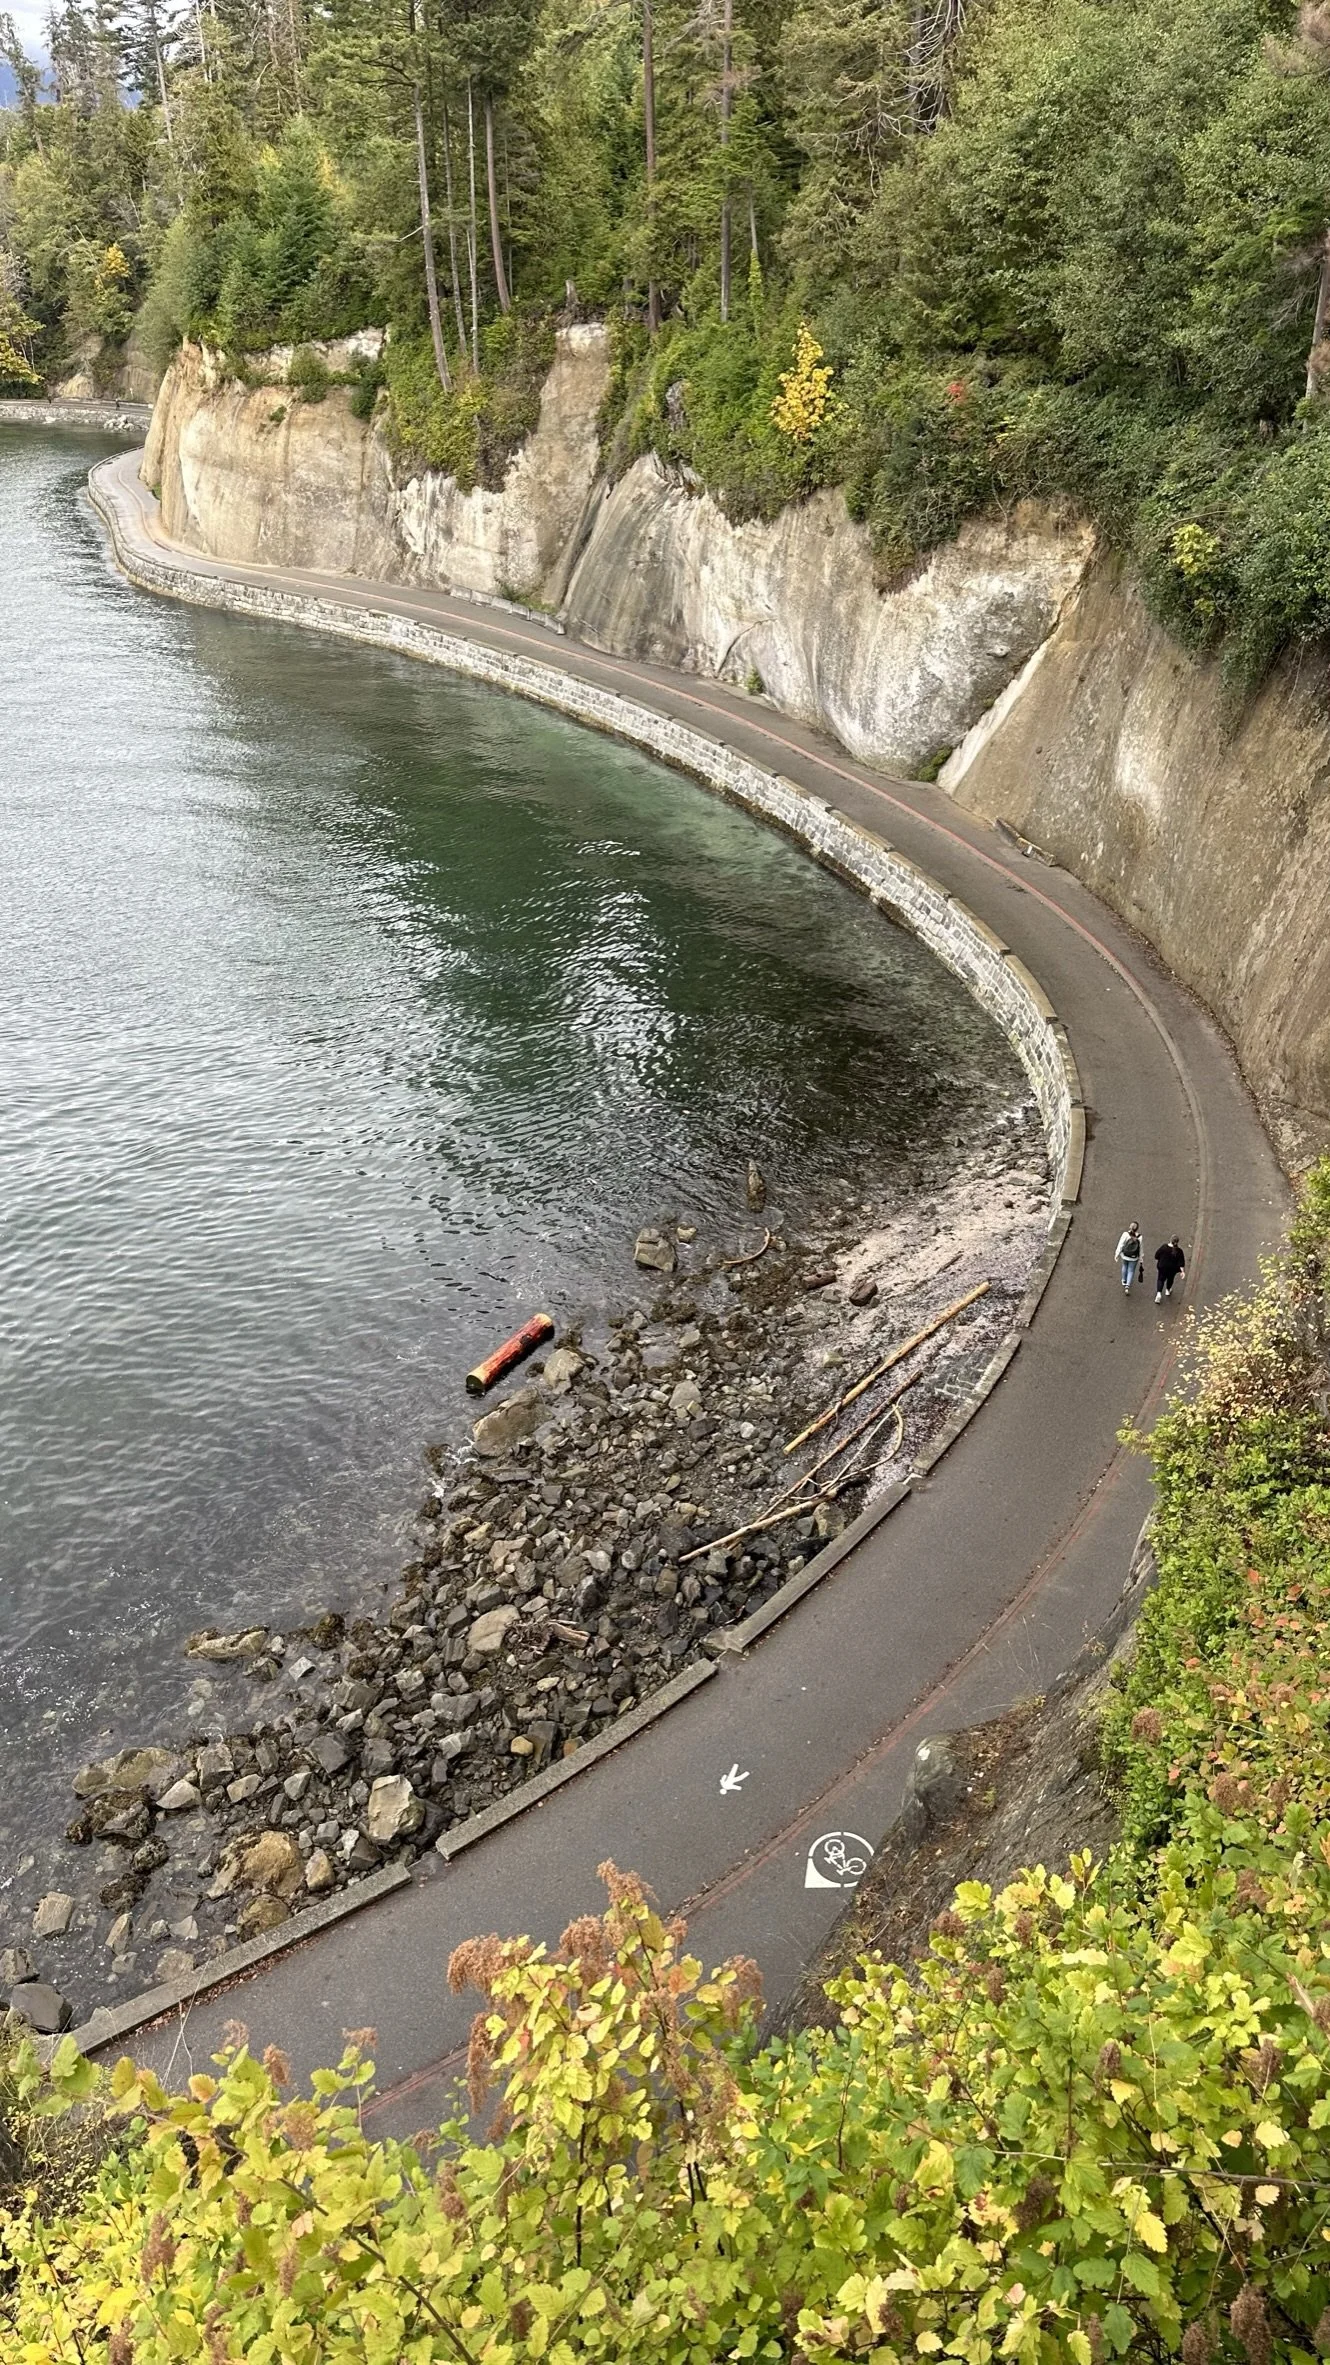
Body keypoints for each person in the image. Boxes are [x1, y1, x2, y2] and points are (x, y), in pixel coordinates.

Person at [1154, 1236, 1186, 1302]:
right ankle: (1168, 1290)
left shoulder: (1164, 1247)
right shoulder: (1179, 1251)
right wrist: (1182, 1272)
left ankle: (1159, 1293)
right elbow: (1181, 1263)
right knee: (1170, 1279)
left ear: (1170, 1240)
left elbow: (1156, 1256)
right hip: (1172, 1269)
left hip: (1163, 1267)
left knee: (1161, 1279)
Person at [1115, 1222, 1144, 1291]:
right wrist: (1141, 1258)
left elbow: (1121, 1244)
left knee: (1124, 1266)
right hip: (1134, 1257)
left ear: (1130, 1227)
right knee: (1131, 1270)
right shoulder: (1140, 1237)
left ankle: (1124, 1280)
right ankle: (1127, 1285)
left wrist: (1117, 1254)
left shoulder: (1125, 1234)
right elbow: (1141, 1248)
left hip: (1125, 1255)